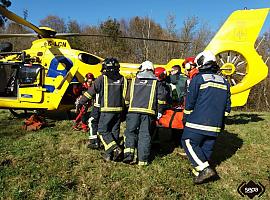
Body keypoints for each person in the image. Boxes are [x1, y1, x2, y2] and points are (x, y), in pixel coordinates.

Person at [181, 50, 231, 184]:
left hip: (198, 121)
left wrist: (186, 116)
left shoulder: (198, 79)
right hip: (216, 125)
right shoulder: (225, 82)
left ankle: (204, 169)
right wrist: (222, 121)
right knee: (206, 147)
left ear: (202, 64)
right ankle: (199, 172)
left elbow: (190, 101)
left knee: (188, 141)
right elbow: (227, 107)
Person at [79, 57, 128, 161]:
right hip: (119, 110)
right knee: (114, 131)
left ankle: (115, 149)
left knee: (102, 131)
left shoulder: (102, 78)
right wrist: (125, 110)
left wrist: (81, 101)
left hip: (106, 110)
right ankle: (111, 155)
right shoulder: (123, 79)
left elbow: (91, 92)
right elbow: (126, 96)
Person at [123, 61, 167, 166]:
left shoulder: (133, 81)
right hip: (148, 113)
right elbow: (162, 98)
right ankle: (143, 161)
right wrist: (160, 111)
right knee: (145, 135)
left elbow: (127, 99)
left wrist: (127, 107)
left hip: (133, 112)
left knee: (130, 132)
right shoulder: (157, 82)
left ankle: (129, 155)